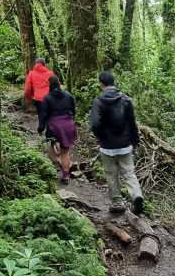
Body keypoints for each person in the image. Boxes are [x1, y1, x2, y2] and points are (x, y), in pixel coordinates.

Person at [89, 70, 143, 214]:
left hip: (107, 146)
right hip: (125, 144)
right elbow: (132, 123)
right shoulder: (126, 100)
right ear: (114, 82)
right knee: (129, 172)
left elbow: (95, 124)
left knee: (111, 174)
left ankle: (117, 202)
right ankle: (136, 195)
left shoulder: (98, 101)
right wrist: (134, 141)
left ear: (101, 84)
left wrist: (101, 137)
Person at [39, 75, 77, 184]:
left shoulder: (47, 98)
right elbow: (73, 111)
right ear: (59, 83)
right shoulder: (68, 95)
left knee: (51, 149)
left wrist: (41, 127)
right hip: (68, 124)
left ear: (49, 85)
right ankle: (65, 176)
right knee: (65, 152)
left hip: (54, 126)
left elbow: (43, 115)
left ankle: (58, 162)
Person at [23, 58, 55, 132]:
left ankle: (41, 126)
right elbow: (55, 85)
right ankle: (49, 129)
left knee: (40, 112)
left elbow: (27, 88)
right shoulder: (50, 73)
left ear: (35, 64)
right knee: (49, 113)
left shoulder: (31, 73)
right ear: (44, 65)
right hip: (49, 97)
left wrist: (29, 97)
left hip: (38, 98)